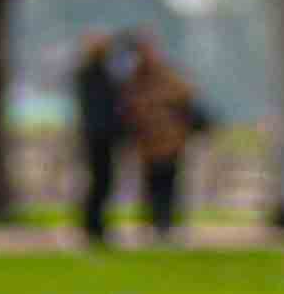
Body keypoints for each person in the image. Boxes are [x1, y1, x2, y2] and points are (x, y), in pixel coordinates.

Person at [121, 35, 202, 241]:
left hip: (166, 140)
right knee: (156, 184)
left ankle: (162, 223)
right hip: (154, 141)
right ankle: (159, 223)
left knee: (164, 184)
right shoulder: (141, 79)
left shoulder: (153, 79)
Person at [68, 27, 136, 248]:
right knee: (101, 181)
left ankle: (94, 225)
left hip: (96, 135)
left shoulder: (91, 74)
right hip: (100, 136)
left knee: (101, 181)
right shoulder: (96, 75)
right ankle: (93, 226)